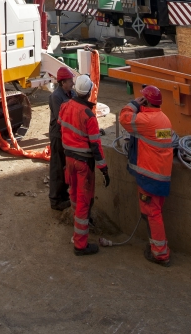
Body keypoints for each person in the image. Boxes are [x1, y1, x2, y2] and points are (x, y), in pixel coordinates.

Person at [119, 84, 174, 266]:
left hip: (149, 176)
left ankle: (160, 254)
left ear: (147, 101)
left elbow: (124, 118)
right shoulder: (164, 119)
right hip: (161, 175)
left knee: (153, 213)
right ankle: (158, 248)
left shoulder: (146, 120)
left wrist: (133, 104)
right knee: (154, 211)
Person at [59, 73, 109, 256]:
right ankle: (80, 244)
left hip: (69, 159)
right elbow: (96, 146)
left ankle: (77, 228)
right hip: (83, 163)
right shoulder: (88, 115)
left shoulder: (65, 106)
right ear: (89, 93)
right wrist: (104, 169)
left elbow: (61, 125)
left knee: (73, 194)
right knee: (83, 201)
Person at [48, 66, 76, 211]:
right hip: (58, 135)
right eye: (70, 80)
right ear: (62, 82)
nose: (72, 82)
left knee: (65, 166)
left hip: (67, 135)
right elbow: (62, 118)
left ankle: (64, 196)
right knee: (57, 168)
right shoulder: (56, 96)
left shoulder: (71, 93)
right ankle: (56, 200)